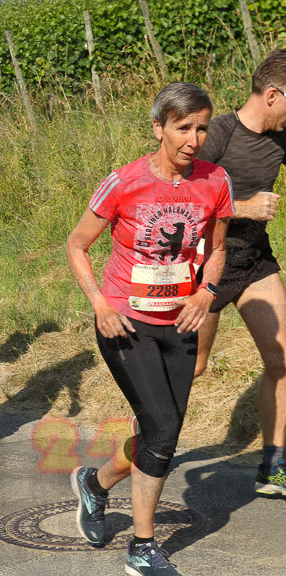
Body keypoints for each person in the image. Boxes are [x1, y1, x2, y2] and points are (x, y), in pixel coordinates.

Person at [67, 83, 233, 576]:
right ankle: (142, 547)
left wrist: (206, 292)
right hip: (125, 322)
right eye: (183, 128)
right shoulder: (124, 181)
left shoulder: (216, 181)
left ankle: (95, 484)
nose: (194, 139)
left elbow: (217, 248)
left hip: (180, 320)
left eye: (202, 128)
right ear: (159, 128)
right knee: (160, 427)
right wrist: (100, 304)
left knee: (163, 433)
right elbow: (76, 245)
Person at [194, 49, 286, 498]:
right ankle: (136, 456)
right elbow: (181, 201)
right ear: (272, 95)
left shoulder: (282, 136)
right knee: (191, 370)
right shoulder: (218, 135)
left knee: (283, 360)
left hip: (254, 262)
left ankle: (273, 467)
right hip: (207, 266)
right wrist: (244, 207)